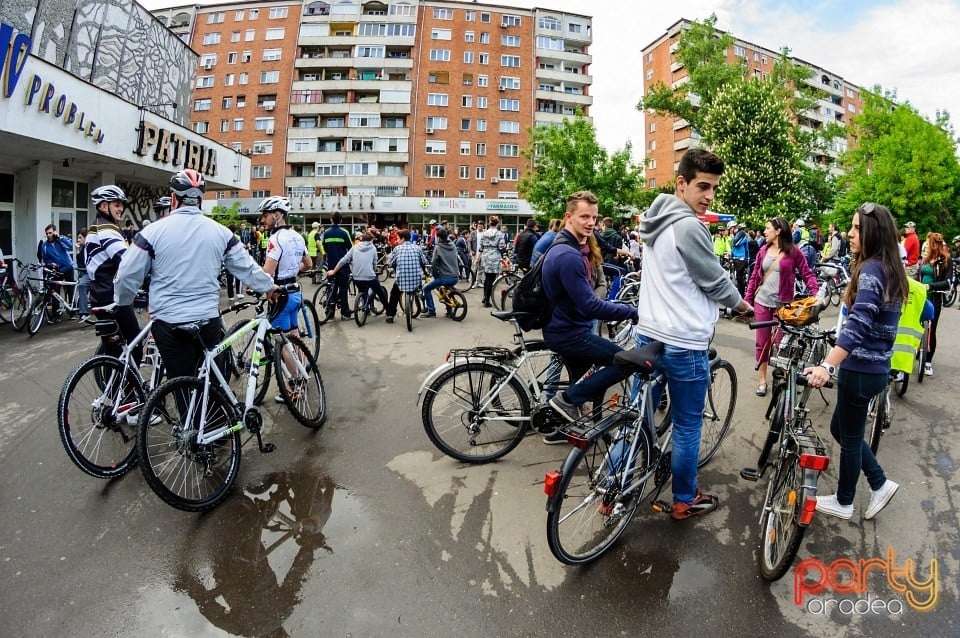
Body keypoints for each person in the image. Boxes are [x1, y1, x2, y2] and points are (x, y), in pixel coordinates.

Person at [633, 148, 752, 520]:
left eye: (714, 188)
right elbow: (713, 280)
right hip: (684, 341)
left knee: (638, 416)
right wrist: (741, 304)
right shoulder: (688, 226)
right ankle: (685, 498)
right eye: (703, 186)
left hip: (648, 333)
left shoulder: (654, 220)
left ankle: (614, 486)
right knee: (687, 425)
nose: (709, 196)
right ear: (681, 183)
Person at [114, 169, 277, 381]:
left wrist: (123, 302)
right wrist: (269, 287)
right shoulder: (221, 232)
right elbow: (247, 268)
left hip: (168, 322)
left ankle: (187, 410)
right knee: (211, 384)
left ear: (173, 198)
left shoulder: (151, 232)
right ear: (200, 200)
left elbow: (127, 275)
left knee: (180, 383)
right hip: (207, 320)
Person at [803, 203, 907, 520]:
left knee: (848, 438)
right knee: (841, 428)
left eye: (857, 228)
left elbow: (859, 324)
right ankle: (878, 482)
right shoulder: (888, 267)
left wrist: (827, 365)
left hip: (860, 369)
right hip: (875, 369)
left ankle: (845, 501)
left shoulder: (873, 269)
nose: (850, 234)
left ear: (874, 232)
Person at [542, 190, 639, 442]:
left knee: (582, 382)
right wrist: (631, 312)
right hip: (570, 333)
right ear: (568, 217)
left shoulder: (574, 248)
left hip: (567, 327)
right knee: (623, 361)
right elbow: (590, 306)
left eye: (594, 218)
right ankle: (567, 401)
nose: (590, 223)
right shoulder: (568, 255)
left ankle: (560, 428)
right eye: (584, 216)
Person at [744, 216, 820, 396]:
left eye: (767, 228)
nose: (764, 231)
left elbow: (807, 273)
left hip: (783, 305)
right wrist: (747, 301)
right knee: (762, 344)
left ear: (778, 231)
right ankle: (762, 381)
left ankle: (786, 377)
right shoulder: (763, 250)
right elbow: (755, 277)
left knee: (782, 344)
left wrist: (817, 294)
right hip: (762, 302)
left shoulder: (793, 252)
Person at [258, 196, 312, 402]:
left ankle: (296, 385)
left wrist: (259, 285)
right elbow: (307, 264)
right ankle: (303, 376)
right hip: (295, 292)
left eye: (265, 215)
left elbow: (267, 272)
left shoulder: (276, 239)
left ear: (277, 215)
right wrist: (290, 271)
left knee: (281, 345)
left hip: (280, 294)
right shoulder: (297, 236)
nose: (263, 220)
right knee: (294, 338)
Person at [85, 186, 144, 362]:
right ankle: (129, 389)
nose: (121, 209)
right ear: (104, 206)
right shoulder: (107, 229)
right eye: (117, 205)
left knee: (115, 350)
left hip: (99, 295)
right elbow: (127, 261)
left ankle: (113, 385)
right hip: (112, 298)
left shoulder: (94, 228)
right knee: (135, 344)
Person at [916, 232, 952, 376]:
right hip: (920, 297)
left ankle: (928, 361)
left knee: (931, 329)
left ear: (935, 245)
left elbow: (948, 283)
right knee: (917, 325)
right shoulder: (925, 260)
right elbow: (919, 276)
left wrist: (931, 286)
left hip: (934, 298)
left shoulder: (946, 261)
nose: (926, 248)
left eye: (929, 245)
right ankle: (920, 349)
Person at [328, 230, 388, 316]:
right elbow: (374, 263)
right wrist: (374, 270)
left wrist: (334, 271)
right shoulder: (373, 248)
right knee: (379, 292)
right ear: (371, 240)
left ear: (362, 239)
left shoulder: (354, 248)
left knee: (362, 289)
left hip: (356, 278)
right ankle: (389, 311)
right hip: (369, 277)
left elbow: (343, 260)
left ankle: (365, 307)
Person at [384, 229, 428, 323]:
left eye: (398, 238)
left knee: (394, 294)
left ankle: (390, 315)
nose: (397, 241)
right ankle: (418, 296)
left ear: (403, 239)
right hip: (416, 278)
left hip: (401, 279)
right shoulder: (417, 248)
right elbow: (424, 262)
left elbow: (391, 263)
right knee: (417, 286)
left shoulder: (397, 249)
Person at [422, 227, 460, 318]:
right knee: (444, 290)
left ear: (438, 238)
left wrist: (435, 275)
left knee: (426, 288)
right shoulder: (453, 245)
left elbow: (434, 263)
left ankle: (431, 311)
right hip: (455, 276)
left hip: (444, 277)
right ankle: (449, 311)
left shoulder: (438, 247)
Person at [321, 212, 353, 320]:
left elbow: (324, 247)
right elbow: (351, 248)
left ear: (331, 220)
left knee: (331, 288)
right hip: (342, 266)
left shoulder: (326, 233)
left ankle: (330, 313)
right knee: (343, 289)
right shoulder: (344, 232)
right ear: (341, 221)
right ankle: (345, 313)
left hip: (331, 265)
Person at [476, 216, 506, 307]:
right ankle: (487, 300)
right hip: (494, 256)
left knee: (486, 278)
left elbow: (481, 247)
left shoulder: (485, 233)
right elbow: (501, 246)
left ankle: (485, 297)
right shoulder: (500, 234)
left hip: (485, 256)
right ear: (497, 224)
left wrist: (477, 258)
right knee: (491, 279)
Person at [728, 220, 750, 296]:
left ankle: (741, 296)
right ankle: (739, 295)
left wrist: (732, 238)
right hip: (736, 258)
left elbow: (736, 244)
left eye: (731, 229)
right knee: (737, 278)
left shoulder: (741, 234)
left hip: (740, 259)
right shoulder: (737, 235)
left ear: (733, 228)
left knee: (740, 279)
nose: (730, 231)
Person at [74, 228, 91, 323]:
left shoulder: (90, 247)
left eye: (80, 237)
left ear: (86, 238)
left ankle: (84, 313)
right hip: (84, 272)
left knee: (82, 285)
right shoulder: (83, 248)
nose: (78, 240)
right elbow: (80, 263)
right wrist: (77, 250)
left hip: (91, 272)